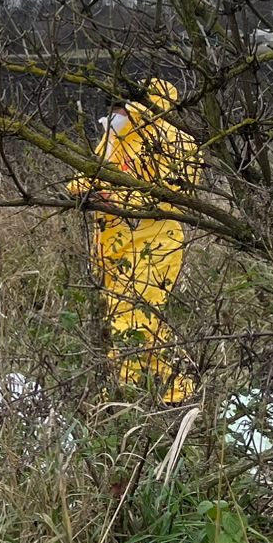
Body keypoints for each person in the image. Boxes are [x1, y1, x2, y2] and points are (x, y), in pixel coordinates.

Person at [68, 78, 201, 401]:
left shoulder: (174, 142)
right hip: (115, 245)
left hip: (155, 243)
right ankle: (149, 393)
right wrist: (87, 191)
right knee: (125, 320)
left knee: (136, 320)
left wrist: (115, 198)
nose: (115, 112)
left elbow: (173, 193)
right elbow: (85, 178)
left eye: (122, 106)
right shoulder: (117, 138)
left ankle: (135, 395)